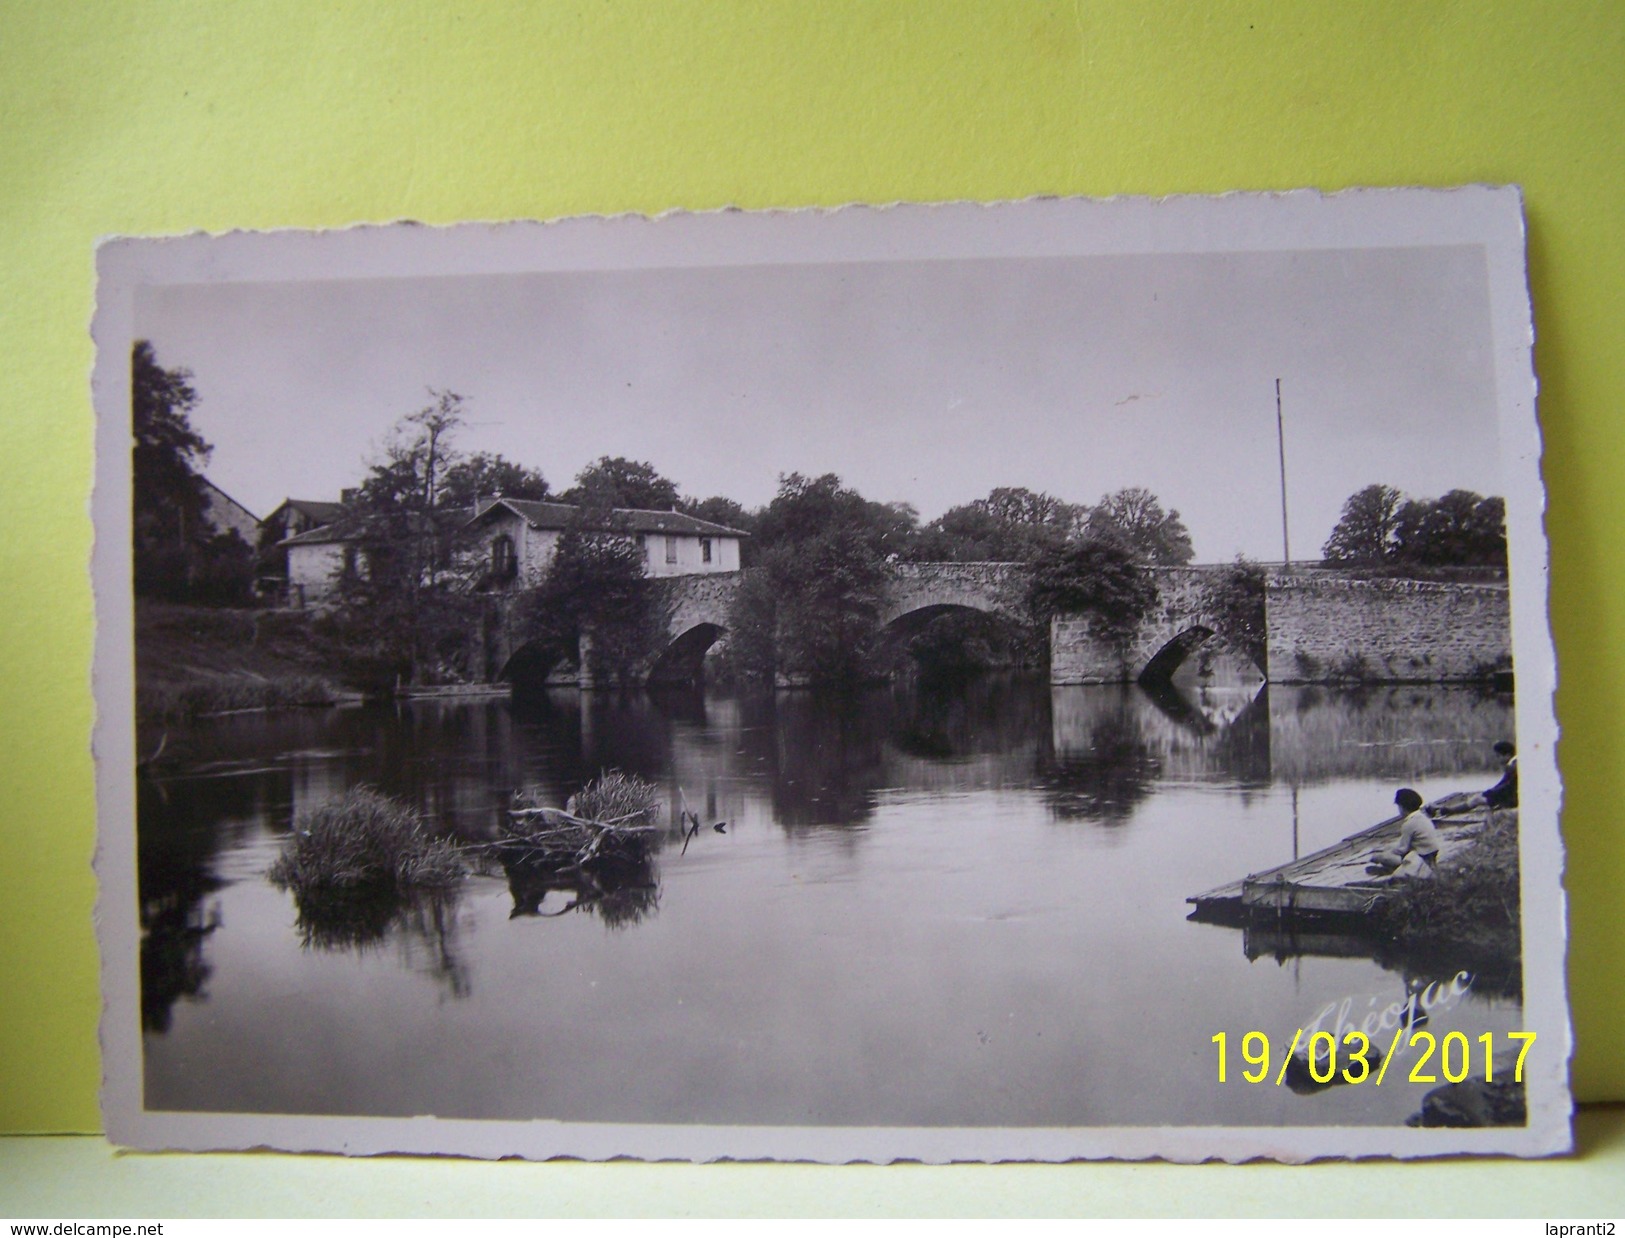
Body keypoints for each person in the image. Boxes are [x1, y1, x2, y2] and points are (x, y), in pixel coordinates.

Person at [1369, 787, 1443, 876]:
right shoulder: (1423, 816)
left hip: (1421, 858)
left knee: (1382, 857)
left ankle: (1392, 869)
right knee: (1388, 850)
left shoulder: (1409, 823)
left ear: (1402, 807)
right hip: (1431, 854)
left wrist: (1382, 855)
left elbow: (1402, 849)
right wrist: (1388, 848)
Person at [1478, 741, 1518, 810]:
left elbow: (1507, 786)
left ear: (1507, 755)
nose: (1497, 759)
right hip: (1511, 797)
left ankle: (1453, 811)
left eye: (1498, 756)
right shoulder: (1514, 764)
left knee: (1476, 800)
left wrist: (1489, 794)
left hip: (1512, 800)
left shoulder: (1513, 766)